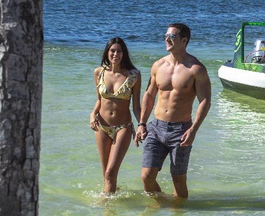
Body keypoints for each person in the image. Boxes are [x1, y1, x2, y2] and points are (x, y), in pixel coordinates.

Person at [136, 23, 211, 199]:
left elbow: (205, 101)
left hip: (181, 130)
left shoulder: (196, 69)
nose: (166, 39)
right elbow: (149, 95)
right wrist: (141, 123)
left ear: (184, 40)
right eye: (165, 36)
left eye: (171, 37)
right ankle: (159, 206)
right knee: (146, 177)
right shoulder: (158, 65)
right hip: (156, 127)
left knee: (178, 179)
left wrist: (193, 130)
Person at [90, 37, 142, 194]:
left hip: (123, 127)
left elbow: (136, 106)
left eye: (119, 51)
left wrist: (141, 125)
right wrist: (92, 114)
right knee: (106, 173)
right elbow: (99, 100)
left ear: (124, 54)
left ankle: (106, 209)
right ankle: (111, 209)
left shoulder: (134, 75)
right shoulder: (98, 73)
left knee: (110, 173)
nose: (115, 54)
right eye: (112, 51)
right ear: (107, 52)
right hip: (102, 126)